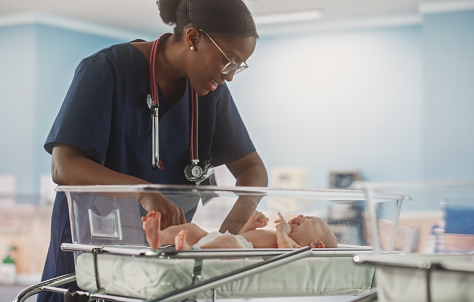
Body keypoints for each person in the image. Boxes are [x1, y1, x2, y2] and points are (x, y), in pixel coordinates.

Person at [38, 0, 267, 301]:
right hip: (92, 261)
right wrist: (143, 191)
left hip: (161, 270)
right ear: (193, 38)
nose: (230, 75)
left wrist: (226, 239)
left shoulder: (211, 95)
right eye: (228, 61)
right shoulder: (108, 69)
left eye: (238, 65)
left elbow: (254, 172)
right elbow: (64, 167)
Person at [142, 210, 338, 250]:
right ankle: (160, 236)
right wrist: (250, 224)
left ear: (316, 245)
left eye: (310, 220)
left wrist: (281, 233)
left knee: (228, 243)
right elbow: (242, 237)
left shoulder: (297, 251)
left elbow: (285, 252)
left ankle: (189, 253)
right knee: (192, 228)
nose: (303, 216)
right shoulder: (280, 236)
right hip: (229, 240)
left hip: (234, 250)